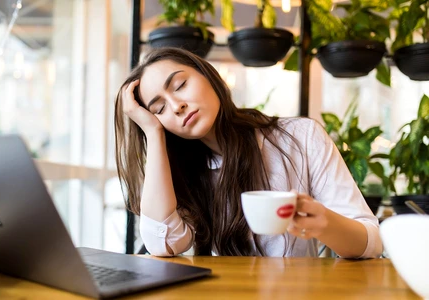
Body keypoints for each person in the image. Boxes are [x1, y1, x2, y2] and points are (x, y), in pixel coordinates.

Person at [114, 47, 382, 258]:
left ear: (208, 75)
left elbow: (371, 242)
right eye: (159, 109)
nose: (176, 106)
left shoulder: (301, 137)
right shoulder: (182, 173)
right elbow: (163, 244)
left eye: (180, 85)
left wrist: (326, 223)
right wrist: (153, 132)